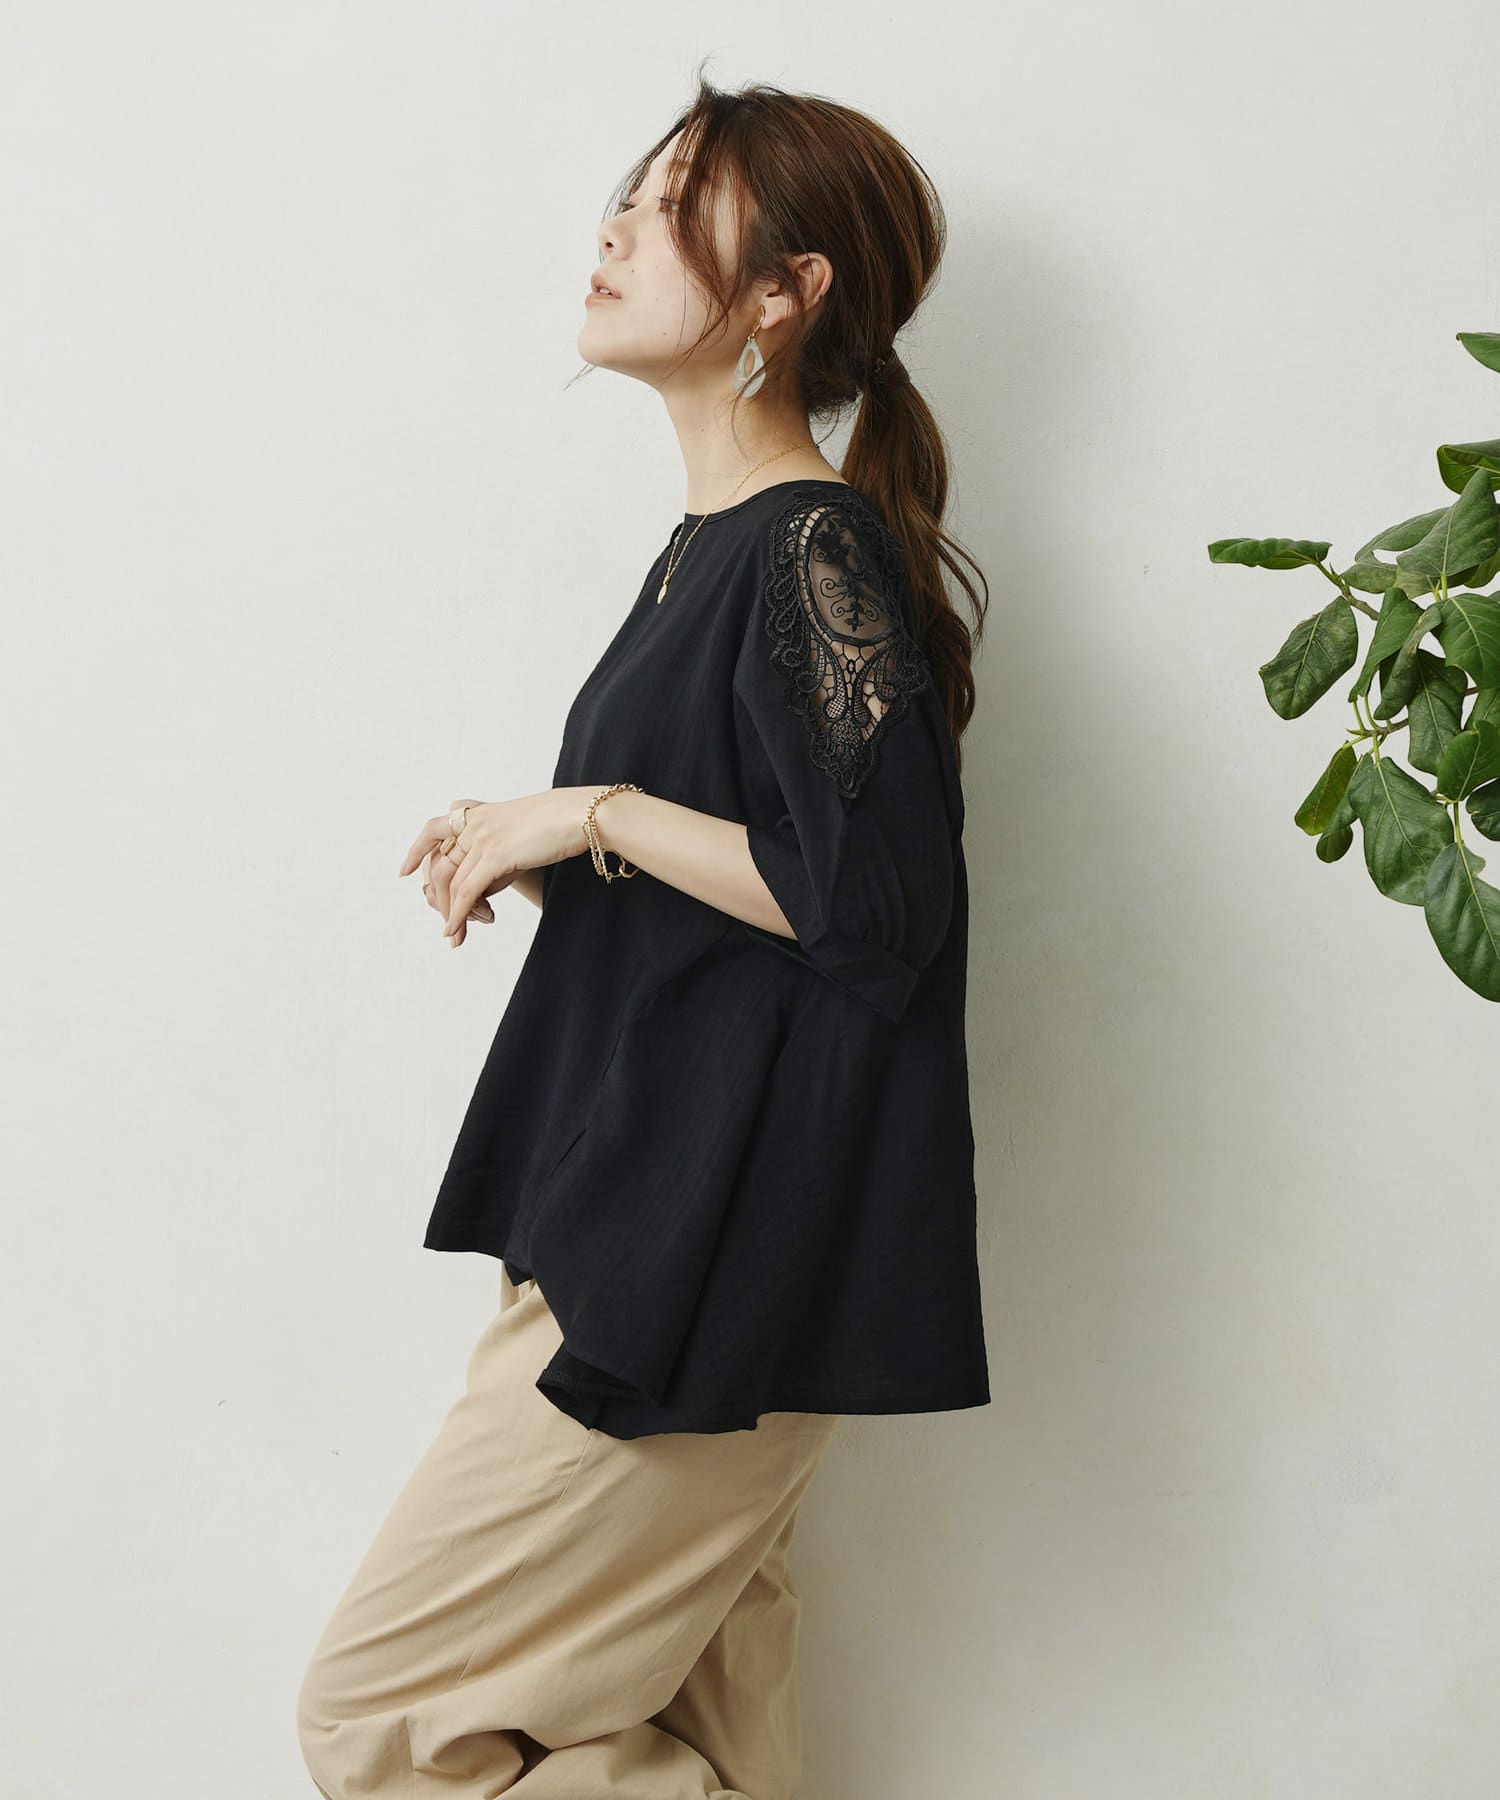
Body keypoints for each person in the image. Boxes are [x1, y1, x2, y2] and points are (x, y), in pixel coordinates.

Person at [297, 70, 992, 1800]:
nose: (614, 226)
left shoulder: (812, 545)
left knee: (385, 1721)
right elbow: (769, 891)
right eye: (628, 189)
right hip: (640, 1220)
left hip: (698, 1266)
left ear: (784, 294)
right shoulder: (714, 547)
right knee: (701, 1730)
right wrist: (552, 857)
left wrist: (590, 815)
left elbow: (875, 906)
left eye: (673, 201)